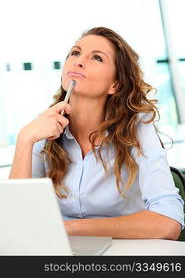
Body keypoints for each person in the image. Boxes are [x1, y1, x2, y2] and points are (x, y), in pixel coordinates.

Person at [9, 27, 184, 240]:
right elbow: (16, 221)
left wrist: (68, 229)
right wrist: (25, 139)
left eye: (97, 58)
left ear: (115, 84)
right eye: (75, 53)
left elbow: (168, 222)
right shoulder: (44, 128)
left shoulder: (137, 126)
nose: (79, 61)